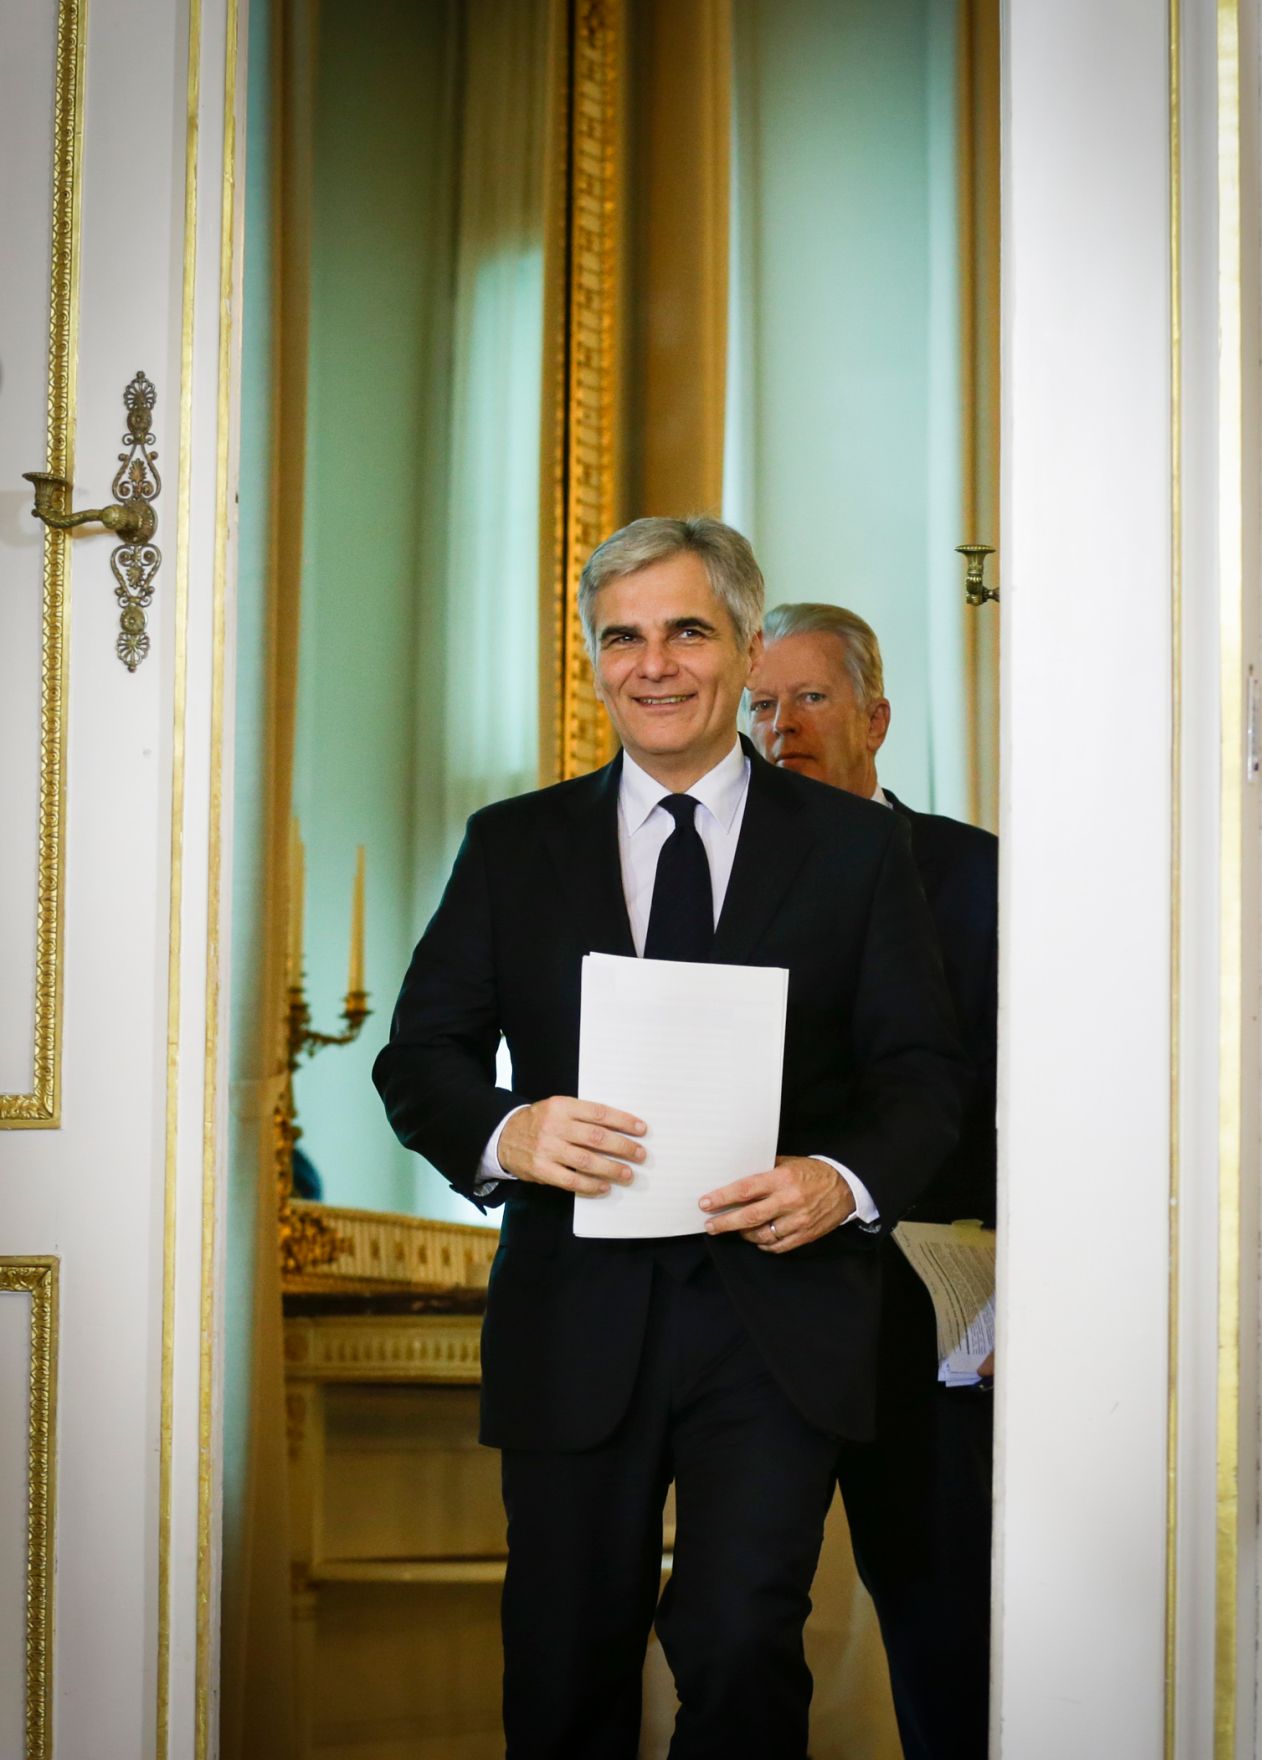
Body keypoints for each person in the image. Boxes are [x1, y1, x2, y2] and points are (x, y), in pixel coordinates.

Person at [373, 519, 966, 1760]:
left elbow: (923, 1074)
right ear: (594, 659)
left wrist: (842, 1177)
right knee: (561, 1650)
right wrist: (510, 1130)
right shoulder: (512, 843)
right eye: (621, 636)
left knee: (744, 1640)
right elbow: (418, 1059)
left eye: (686, 629)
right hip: (573, 1306)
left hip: (780, 1313)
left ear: (744, 647)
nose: (653, 663)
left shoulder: (858, 848)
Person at [746, 601, 998, 1760]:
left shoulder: (973, 876)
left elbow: (1025, 1092)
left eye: (809, 697)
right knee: (739, 1628)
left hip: (931, 1318)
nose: (779, 725)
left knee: (944, 1632)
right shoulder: (719, 882)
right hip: (764, 1312)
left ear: (875, 716)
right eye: (759, 703)